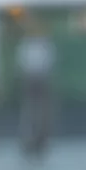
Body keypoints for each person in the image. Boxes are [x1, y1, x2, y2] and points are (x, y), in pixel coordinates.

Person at [15, 18, 56, 156]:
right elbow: (23, 63)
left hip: (42, 79)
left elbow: (49, 63)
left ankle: (41, 140)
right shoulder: (27, 45)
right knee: (30, 110)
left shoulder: (45, 45)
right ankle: (28, 140)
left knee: (43, 111)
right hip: (30, 79)